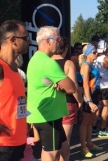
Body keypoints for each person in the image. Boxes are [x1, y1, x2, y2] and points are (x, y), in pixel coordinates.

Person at [27, 26, 76, 161]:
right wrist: (62, 86)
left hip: (46, 114)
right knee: (52, 154)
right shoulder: (48, 63)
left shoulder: (36, 58)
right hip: (49, 115)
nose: (60, 42)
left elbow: (45, 83)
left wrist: (59, 86)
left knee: (62, 148)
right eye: (58, 39)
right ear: (48, 41)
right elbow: (72, 88)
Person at [0, 20, 30, 161]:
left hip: (18, 142)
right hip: (3, 145)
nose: (29, 42)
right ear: (13, 40)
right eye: (25, 38)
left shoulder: (15, 70)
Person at [51, 37, 82, 160]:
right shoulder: (68, 63)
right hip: (67, 102)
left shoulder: (46, 62)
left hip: (50, 102)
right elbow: (73, 86)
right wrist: (80, 101)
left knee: (52, 140)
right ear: (66, 49)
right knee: (64, 140)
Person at [79, 44, 103, 158]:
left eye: (96, 52)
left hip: (95, 94)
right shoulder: (85, 65)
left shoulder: (91, 64)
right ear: (88, 54)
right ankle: (83, 147)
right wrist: (89, 101)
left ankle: (89, 143)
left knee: (90, 121)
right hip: (89, 96)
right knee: (85, 122)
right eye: (94, 52)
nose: (96, 54)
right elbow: (85, 85)